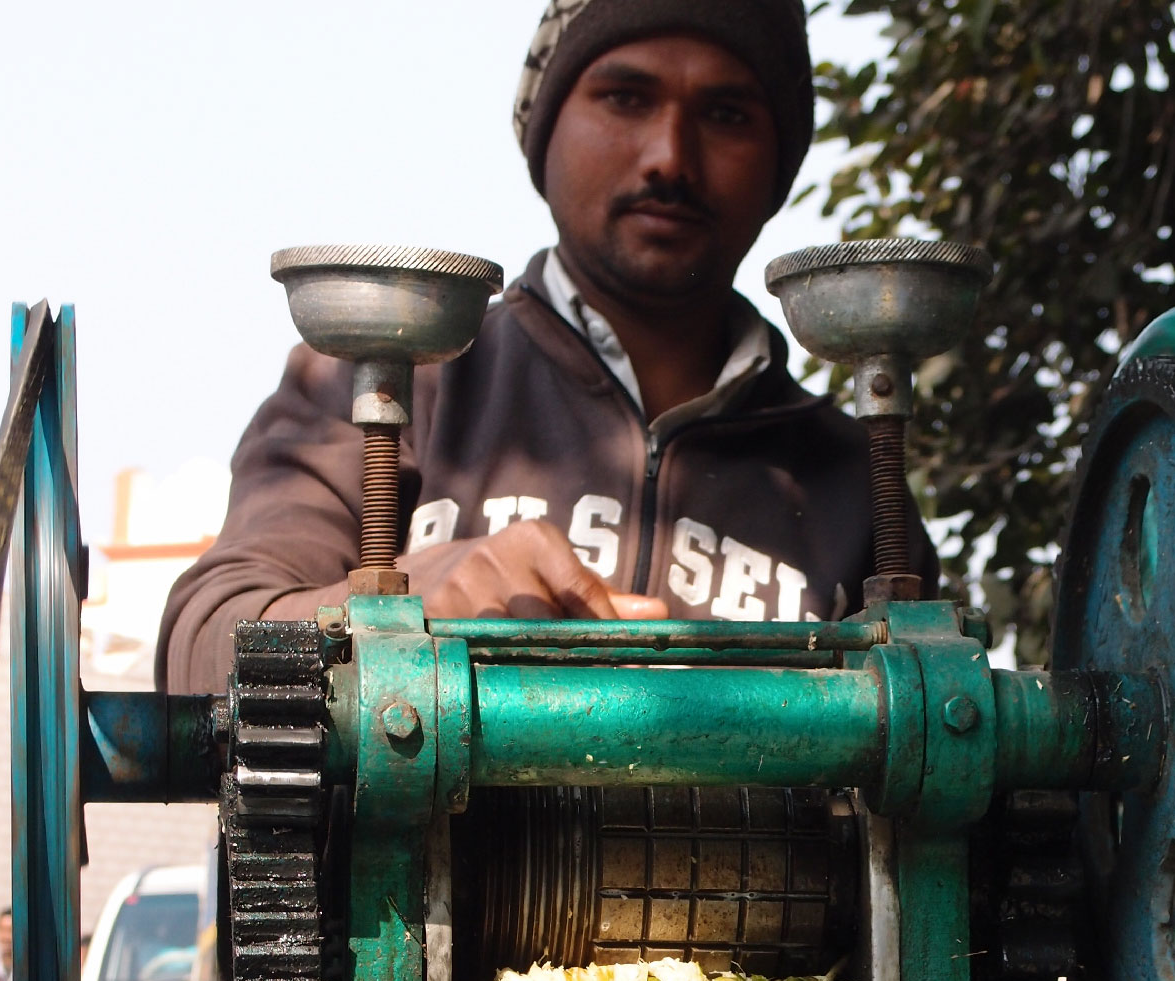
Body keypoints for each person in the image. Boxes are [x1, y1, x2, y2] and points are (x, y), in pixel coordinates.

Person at [157, 0, 935, 693]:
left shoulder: (857, 481)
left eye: (727, 113)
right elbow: (202, 645)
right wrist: (407, 601)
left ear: (781, 165)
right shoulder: (393, 383)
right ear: (543, 128)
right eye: (625, 97)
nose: (669, 156)